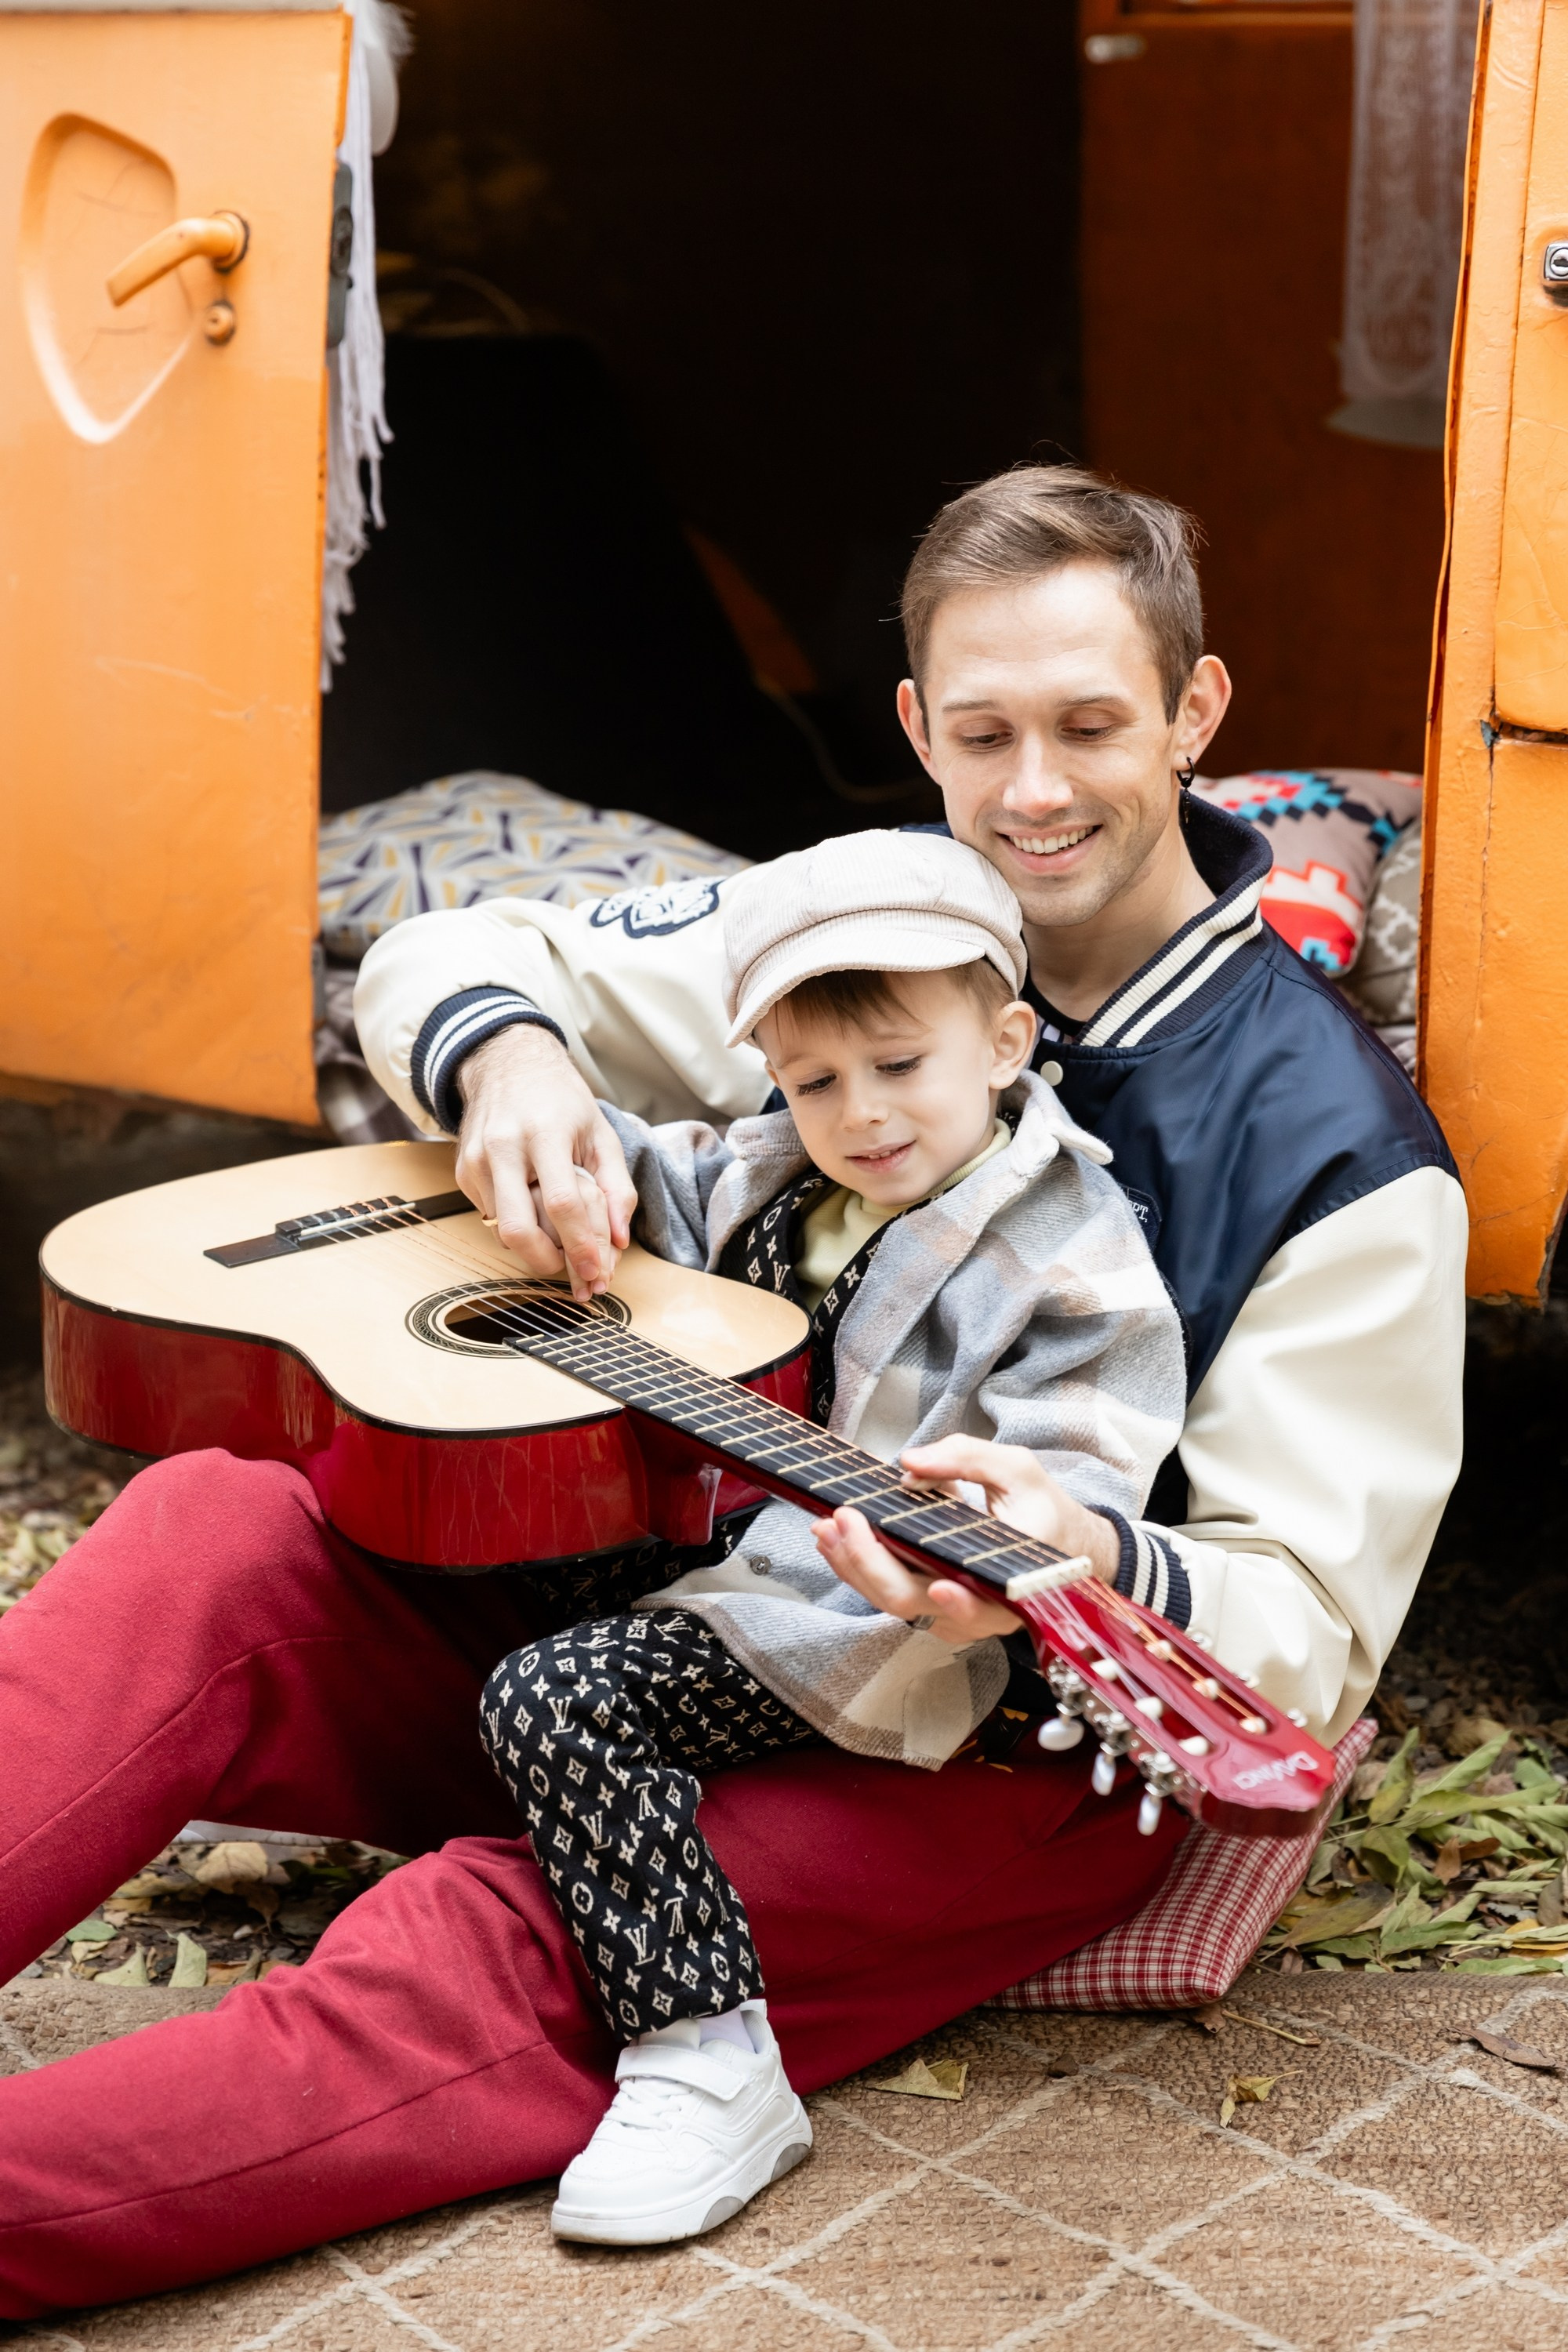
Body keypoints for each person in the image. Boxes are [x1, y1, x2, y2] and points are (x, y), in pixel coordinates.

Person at [0, 466, 1464, 2318]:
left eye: (1093, 725)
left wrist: (1081, 1546)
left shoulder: (1347, 1155)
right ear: (916, 725)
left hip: (973, 1733)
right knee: (218, 1537)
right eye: (985, 729)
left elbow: (1306, 1622)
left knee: (502, 1932)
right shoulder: (848, 941)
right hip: (651, 1606)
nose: (1034, 790)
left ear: (1194, 712)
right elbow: (471, 946)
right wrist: (517, 1065)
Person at [476, 828, 1184, 2245]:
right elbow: (622, 1172)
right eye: (813, 1080)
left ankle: (708, 2057)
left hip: (871, 1610)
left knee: (545, 1693)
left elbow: (1078, 1478)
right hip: (709, 1541)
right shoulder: (768, 1174)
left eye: (900, 1066)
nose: (858, 1114)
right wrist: (524, 1122)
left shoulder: (1073, 1259)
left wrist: (996, 1533)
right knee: (476, 1529)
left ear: (1004, 1042)